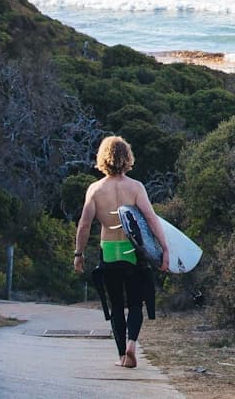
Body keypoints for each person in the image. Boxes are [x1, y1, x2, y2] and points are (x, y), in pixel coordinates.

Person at [74, 135, 170, 368]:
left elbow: (84, 225)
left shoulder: (95, 190)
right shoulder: (135, 187)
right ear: (127, 157)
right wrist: (164, 249)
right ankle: (131, 346)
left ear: (102, 158)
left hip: (109, 251)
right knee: (135, 304)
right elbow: (150, 218)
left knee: (116, 306)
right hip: (131, 251)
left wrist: (79, 253)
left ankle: (121, 357)